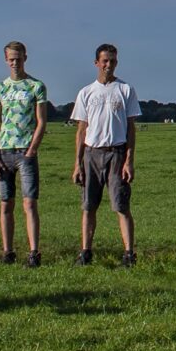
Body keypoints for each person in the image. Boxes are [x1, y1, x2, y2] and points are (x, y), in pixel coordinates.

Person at [71, 42, 142, 266]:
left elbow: (131, 128)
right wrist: (77, 164)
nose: (108, 65)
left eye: (112, 61)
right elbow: (81, 130)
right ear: (97, 63)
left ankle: (129, 254)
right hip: (91, 153)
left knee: (121, 206)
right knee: (88, 206)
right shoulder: (86, 92)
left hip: (116, 153)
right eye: (104, 61)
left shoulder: (125, 90)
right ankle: (86, 252)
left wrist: (129, 160)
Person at [0, 40, 50, 266]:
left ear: (25, 58)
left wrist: (32, 149)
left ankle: (33, 252)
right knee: (6, 203)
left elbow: (42, 121)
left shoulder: (36, 86)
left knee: (29, 203)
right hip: (4, 151)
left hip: (26, 151)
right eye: (11, 59)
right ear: (6, 60)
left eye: (19, 58)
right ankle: (8, 251)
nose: (15, 63)